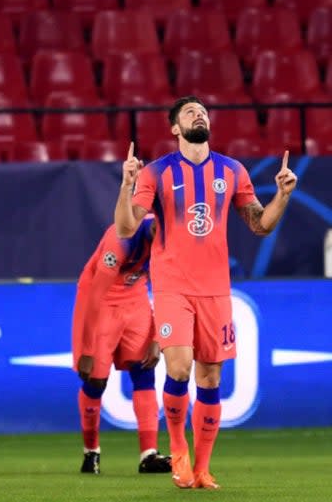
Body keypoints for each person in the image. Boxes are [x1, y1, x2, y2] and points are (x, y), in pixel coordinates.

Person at [114, 96, 297, 489]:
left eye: (203, 111)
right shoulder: (157, 172)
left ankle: (202, 468)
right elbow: (128, 228)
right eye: (189, 112)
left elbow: (260, 225)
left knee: (211, 379)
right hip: (172, 286)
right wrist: (126, 185)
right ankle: (178, 450)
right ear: (175, 128)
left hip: (215, 289)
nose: (199, 114)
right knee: (178, 367)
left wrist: (282, 195)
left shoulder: (232, 171)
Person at [73, 215, 171, 475]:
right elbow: (95, 294)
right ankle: (91, 451)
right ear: (154, 221)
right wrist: (87, 349)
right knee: (96, 381)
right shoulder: (121, 239)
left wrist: (157, 338)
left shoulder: (173, 240)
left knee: (145, 369)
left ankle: (148, 455)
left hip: (135, 295)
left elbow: (169, 291)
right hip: (101, 300)